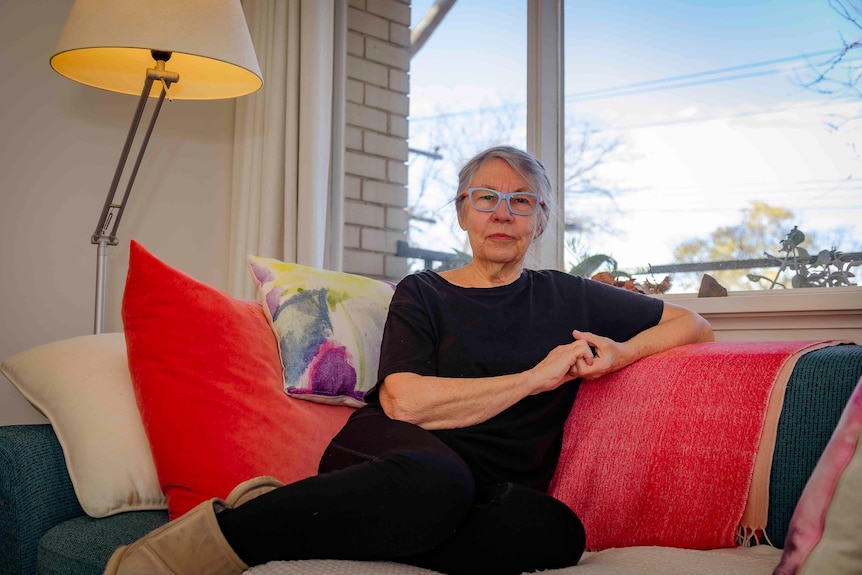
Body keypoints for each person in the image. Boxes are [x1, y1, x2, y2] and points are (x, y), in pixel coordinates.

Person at [106, 145, 713, 575]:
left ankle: (352, 524)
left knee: (556, 533)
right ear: (462, 212)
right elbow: (403, 401)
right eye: (487, 198)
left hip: (483, 489)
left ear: (542, 220)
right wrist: (534, 378)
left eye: (522, 202)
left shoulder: (568, 295)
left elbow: (694, 322)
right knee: (433, 484)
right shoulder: (424, 291)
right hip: (396, 453)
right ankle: (229, 532)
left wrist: (621, 353)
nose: (502, 213)